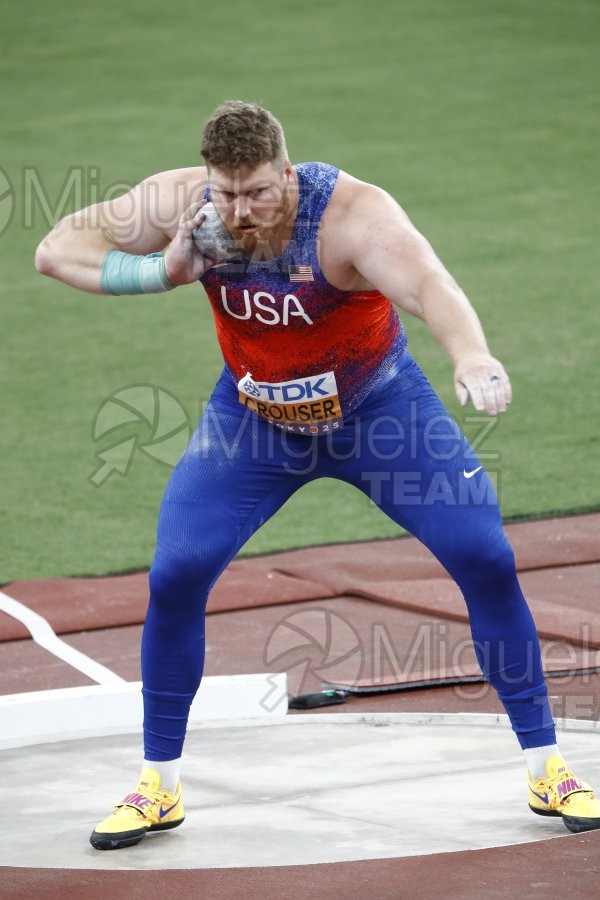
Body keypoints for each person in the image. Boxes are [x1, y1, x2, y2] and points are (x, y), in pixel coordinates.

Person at [36, 100, 600, 850]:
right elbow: (54, 249)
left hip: (380, 413)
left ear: (288, 175)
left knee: (485, 555)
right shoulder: (183, 202)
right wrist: (158, 271)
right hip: (254, 421)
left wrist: (471, 355)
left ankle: (548, 767)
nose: (241, 211)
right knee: (176, 573)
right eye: (227, 193)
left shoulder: (351, 216)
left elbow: (429, 285)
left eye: (258, 192)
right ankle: (158, 787)